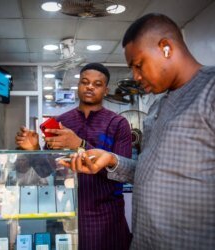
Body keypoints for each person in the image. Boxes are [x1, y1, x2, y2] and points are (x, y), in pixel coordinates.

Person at [61, 13, 215, 250]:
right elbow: (149, 171)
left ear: (165, 48)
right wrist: (111, 160)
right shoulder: (157, 107)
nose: (136, 76)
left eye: (138, 65)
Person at [15, 63, 132, 250]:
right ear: (78, 86)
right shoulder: (61, 122)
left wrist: (80, 145)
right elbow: (45, 171)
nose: (90, 87)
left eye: (97, 84)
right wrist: (34, 149)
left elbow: (125, 173)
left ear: (105, 89)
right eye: (85, 82)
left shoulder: (118, 124)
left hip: (106, 217)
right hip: (65, 213)